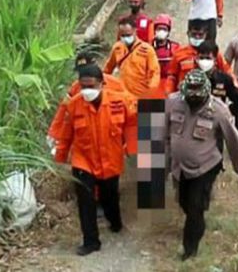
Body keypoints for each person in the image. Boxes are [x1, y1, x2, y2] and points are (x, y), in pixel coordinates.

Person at [163, 70, 238, 260]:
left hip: (205, 166)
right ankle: (198, 217)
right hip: (180, 167)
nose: (193, 98)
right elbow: (162, 132)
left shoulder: (218, 110)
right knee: (185, 203)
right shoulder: (172, 102)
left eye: (198, 94)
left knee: (195, 209)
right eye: (190, 93)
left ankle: (190, 249)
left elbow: (233, 140)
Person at [53, 64, 137, 256]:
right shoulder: (74, 105)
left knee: (110, 197)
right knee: (86, 201)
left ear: (102, 84)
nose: (87, 91)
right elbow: (66, 134)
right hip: (84, 160)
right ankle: (91, 241)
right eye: (83, 87)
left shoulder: (119, 102)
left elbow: (132, 124)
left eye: (91, 86)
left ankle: (114, 221)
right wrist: (60, 158)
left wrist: (131, 148)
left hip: (110, 159)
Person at [47, 51, 126, 143]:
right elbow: (64, 110)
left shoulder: (115, 84)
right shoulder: (75, 87)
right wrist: (53, 133)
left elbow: (128, 108)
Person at [164, 26, 234, 94]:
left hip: (211, 94)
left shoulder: (214, 53)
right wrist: (169, 93)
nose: (197, 37)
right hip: (183, 95)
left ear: (205, 34)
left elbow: (227, 71)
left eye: (200, 34)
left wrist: (235, 85)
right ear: (188, 33)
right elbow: (172, 76)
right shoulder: (179, 53)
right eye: (194, 34)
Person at [104, 16, 161, 99]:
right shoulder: (117, 48)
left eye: (128, 35)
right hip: (123, 97)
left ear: (135, 31)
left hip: (142, 96)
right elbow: (107, 70)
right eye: (122, 35)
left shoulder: (147, 50)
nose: (125, 38)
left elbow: (155, 74)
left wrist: (149, 95)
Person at [152, 14, 181, 92]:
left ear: (168, 32)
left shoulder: (175, 47)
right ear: (154, 30)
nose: (161, 31)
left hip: (169, 83)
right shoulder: (147, 48)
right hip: (152, 83)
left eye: (164, 29)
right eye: (159, 29)